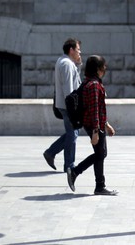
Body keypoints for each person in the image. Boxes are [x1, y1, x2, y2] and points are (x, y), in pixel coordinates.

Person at [66, 55, 118, 195]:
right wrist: (95, 131)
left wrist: (106, 125)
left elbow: (98, 108)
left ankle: (98, 185)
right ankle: (78, 173)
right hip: (93, 125)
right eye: (103, 66)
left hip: (96, 124)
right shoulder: (94, 85)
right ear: (97, 69)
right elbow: (94, 108)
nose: (105, 68)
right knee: (100, 154)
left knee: (101, 154)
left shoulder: (91, 82)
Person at [43, 38, 82, 172]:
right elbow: (68, 88)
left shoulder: (63, 61)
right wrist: (73, 108)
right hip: (68, 106)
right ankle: (69, 165)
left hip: (65, 105)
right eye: (78, 49)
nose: (79, 52)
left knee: (72, 133)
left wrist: (78, 65)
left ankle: (51, 153)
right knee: (73, 134)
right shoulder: (66, 64)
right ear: (71, 50)